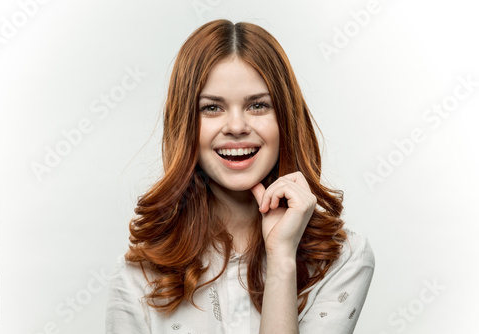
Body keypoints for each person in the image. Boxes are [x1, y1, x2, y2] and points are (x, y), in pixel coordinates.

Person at [105, 19, 375, 334]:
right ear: (186, 126)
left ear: (284, 120)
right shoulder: (138, 274)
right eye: (211, 108)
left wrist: (281, 259)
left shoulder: (345, 260)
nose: (235, 126)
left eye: (258, 105)